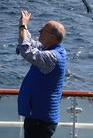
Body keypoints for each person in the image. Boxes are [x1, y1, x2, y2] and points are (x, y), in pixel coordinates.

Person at [15, 10, 67, 138]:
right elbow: (28, 42)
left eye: (43, 29)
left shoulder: (52, 56)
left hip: (41, 120)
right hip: (37, 117)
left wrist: (23, 26)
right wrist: (22, 25)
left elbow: (26, 50)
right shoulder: (47, 49)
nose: (39, 31)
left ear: (51, 37)